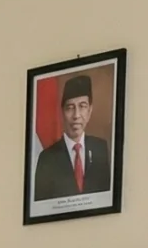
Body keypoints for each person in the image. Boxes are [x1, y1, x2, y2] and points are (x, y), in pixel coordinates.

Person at [31, 74, 112, 202]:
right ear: (62, 112)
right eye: (70, 108)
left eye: (82, 106)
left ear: (90, 110)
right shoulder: (47, 158)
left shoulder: (100, 148)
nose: (76, 115)